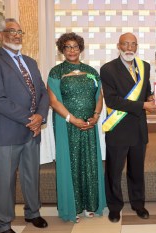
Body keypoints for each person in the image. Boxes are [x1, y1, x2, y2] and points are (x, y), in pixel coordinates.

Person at [0, 18, 49, 233]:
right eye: (11, 31)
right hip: (7, 131)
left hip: (32, 130)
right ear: (0, 35)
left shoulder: (30, 61)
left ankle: (33, 213)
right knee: (6, 180)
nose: (17, 35)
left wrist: (40, 117)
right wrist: (30, 119)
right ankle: (2, 223)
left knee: (32, 176)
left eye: (20, 31)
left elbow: (42, 92)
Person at [47, 32, 106, 223]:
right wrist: (72, 119)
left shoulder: (91, 71)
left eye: (75, 46)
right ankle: (74, 207)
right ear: (62, 50)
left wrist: (95, 116)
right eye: (67, 47)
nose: (72, 50)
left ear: (80, 49)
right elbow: (54, 101)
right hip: (67, 125)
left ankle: (90, 204)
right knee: (71, 163)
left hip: (89, 124)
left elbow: (99, 96)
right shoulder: (56, 72)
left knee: (89, 163)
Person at [100, 33, 156, 223]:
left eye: (133, 44)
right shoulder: (108, 69)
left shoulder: (144, 67)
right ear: (118, 46)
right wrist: (143, 105)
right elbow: (112, 100)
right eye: (125, 44)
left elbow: (146, 92)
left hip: (138, 128)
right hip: (118, 127)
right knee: (114, 171)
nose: (129, 48)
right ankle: (115, 207)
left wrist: (150, 98)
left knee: (137, 170)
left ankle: (138, 204)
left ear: (137, 47)